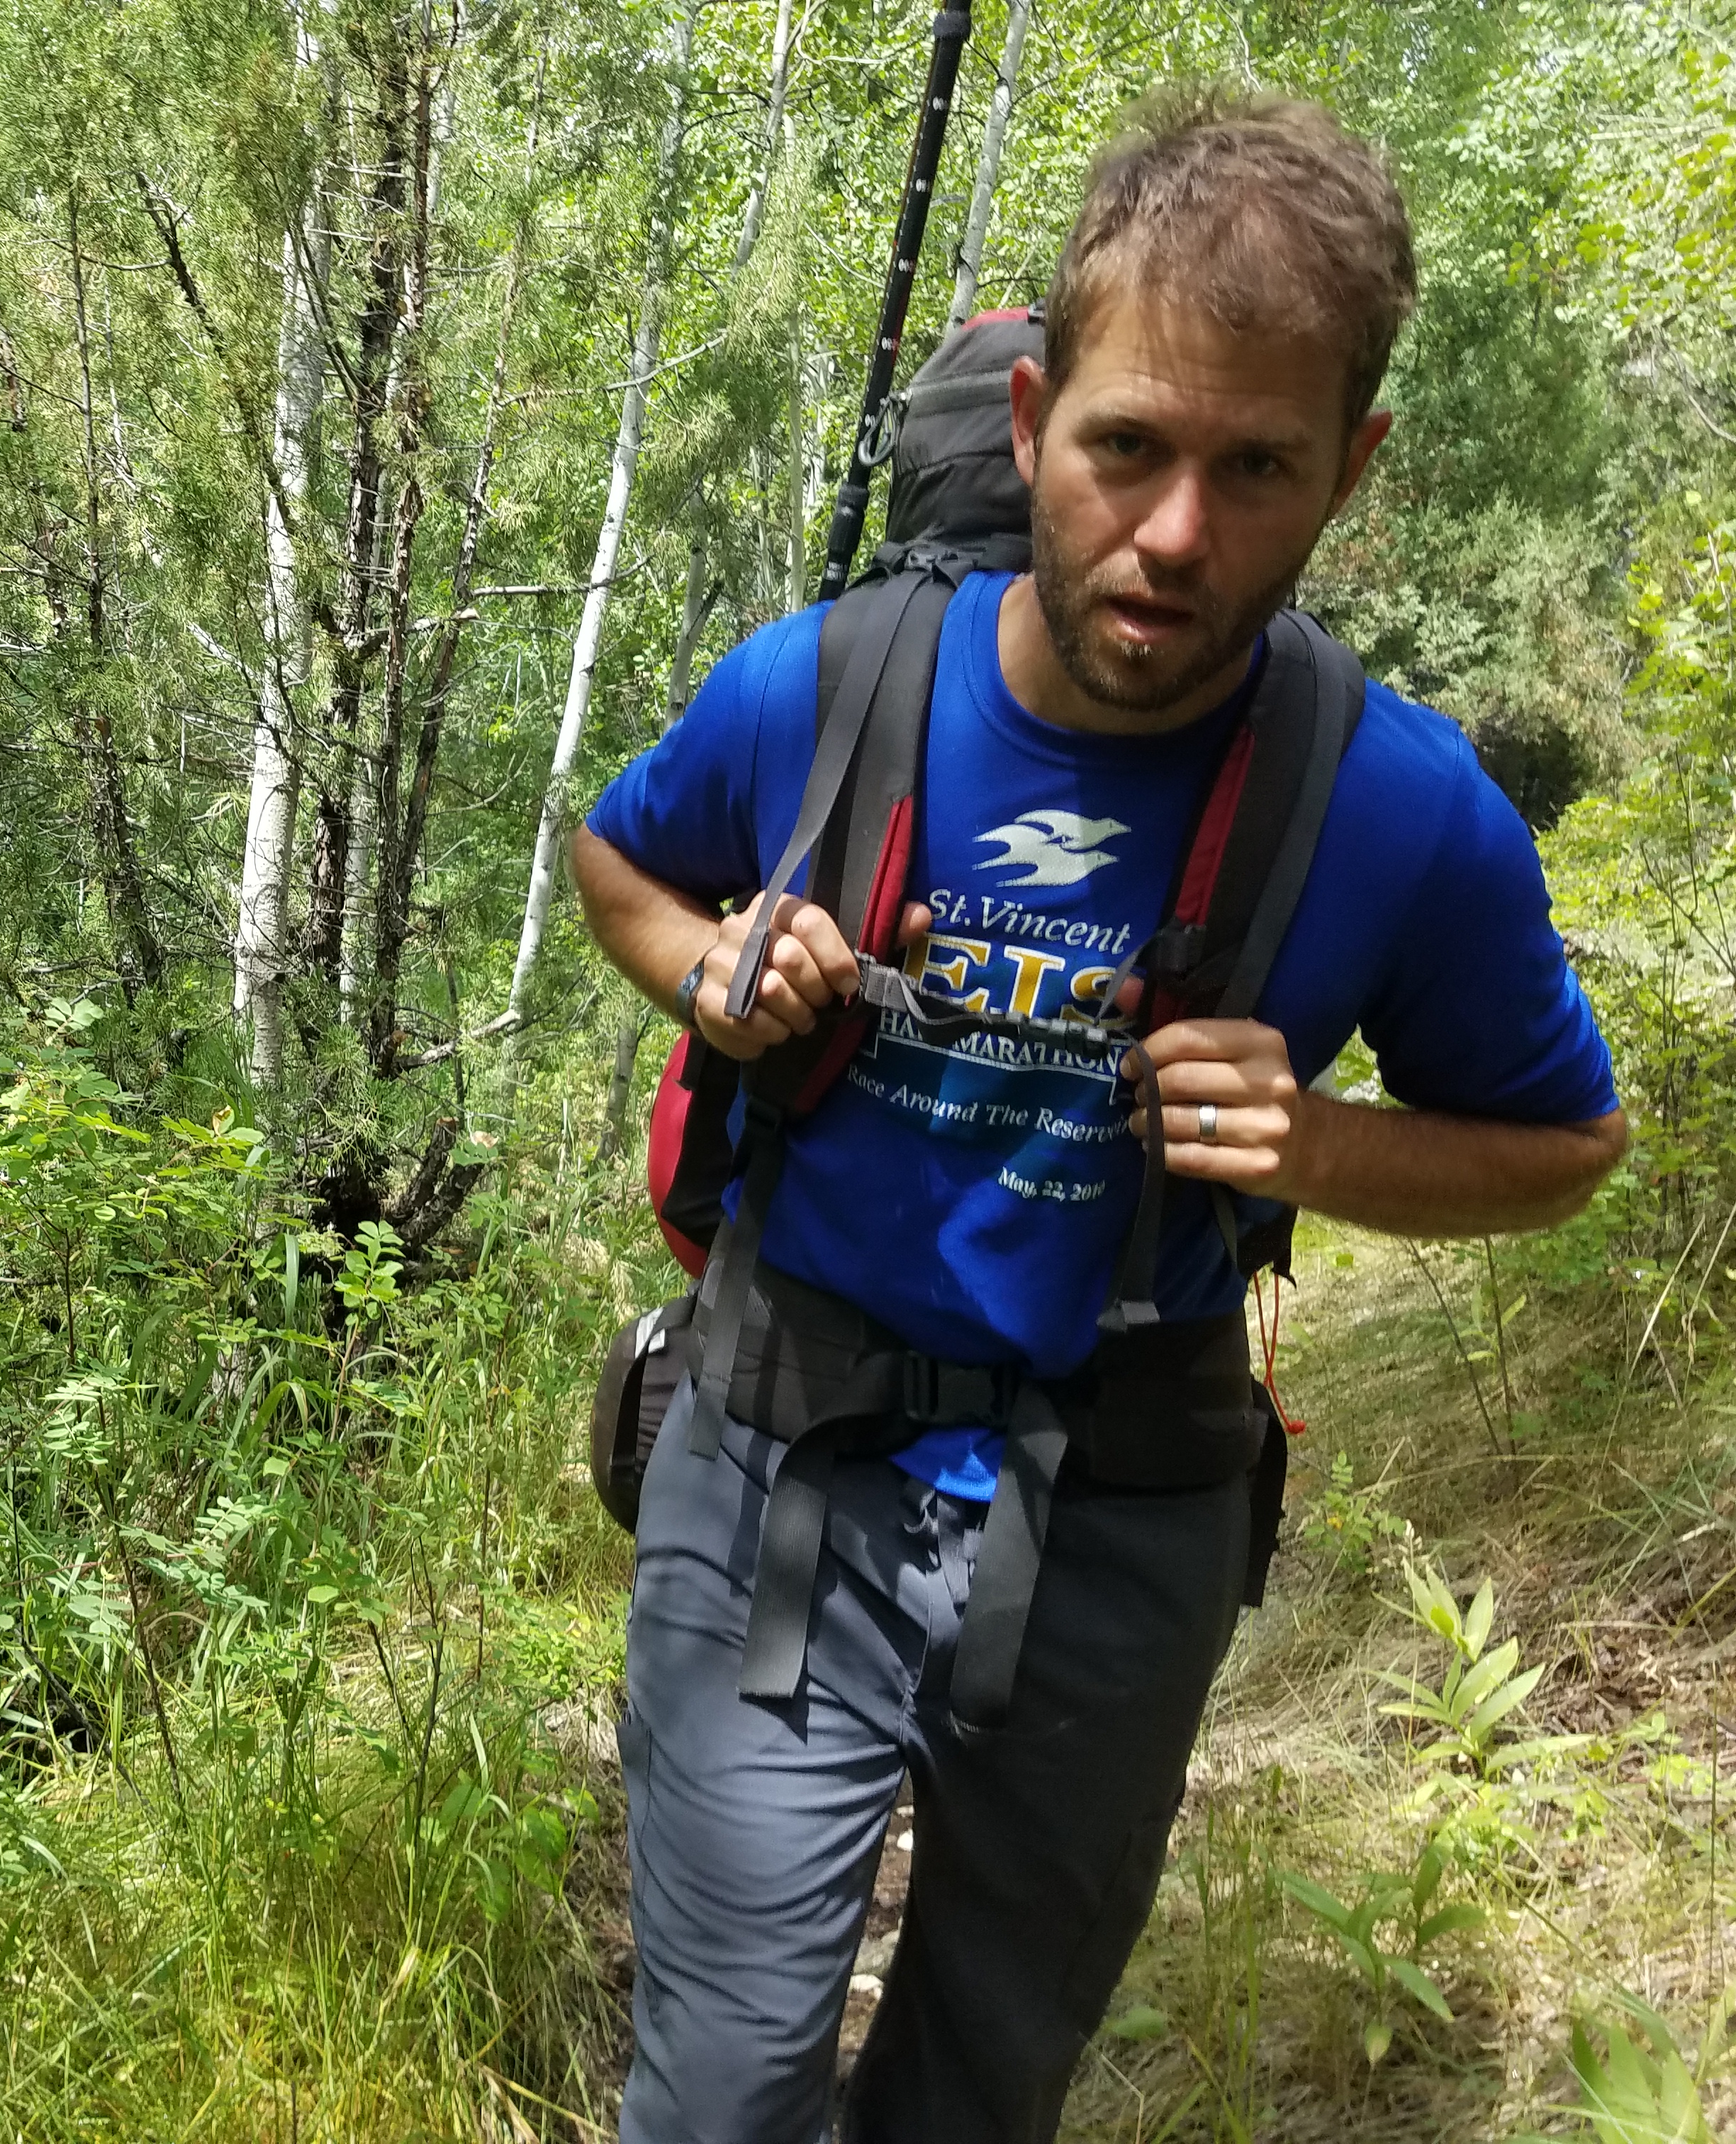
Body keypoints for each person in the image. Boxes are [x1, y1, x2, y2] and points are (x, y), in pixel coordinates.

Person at [571, 86, 1626, 2144]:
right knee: (723, 2093)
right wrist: (712, 973)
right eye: (1129, 446)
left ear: (1355, 475)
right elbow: (623, 861)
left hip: (1128, 1513)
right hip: (784, 1457)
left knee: (984, 2086)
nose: (1172, 535)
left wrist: (1319, 1146)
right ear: (1041, 412)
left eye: (1258, 471)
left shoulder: (1406, 814)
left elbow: (1564, 1148)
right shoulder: (824, 688)